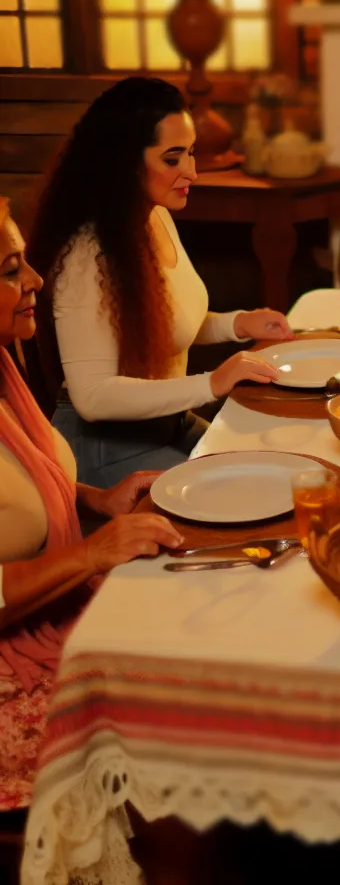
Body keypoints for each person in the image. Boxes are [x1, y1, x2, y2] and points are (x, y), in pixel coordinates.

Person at [0, 197, 181, 807]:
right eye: (9, 269)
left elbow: (17, 484)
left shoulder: (2, 369)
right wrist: (88, 557)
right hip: (12, 674)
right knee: (177, 734)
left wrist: (96, 500)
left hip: (57, 619)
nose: (34, 280)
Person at [26, 77, 292, 487]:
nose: (193, 172)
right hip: (104, 447)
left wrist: (237, 324)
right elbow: (93, 396)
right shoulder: (86, 256)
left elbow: (161, 326)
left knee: (284, 467)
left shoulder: (155, 217)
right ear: (124, 162)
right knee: (254, 488)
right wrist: (212, 382)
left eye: (190, 153)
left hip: (166, 425)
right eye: (172, 159)